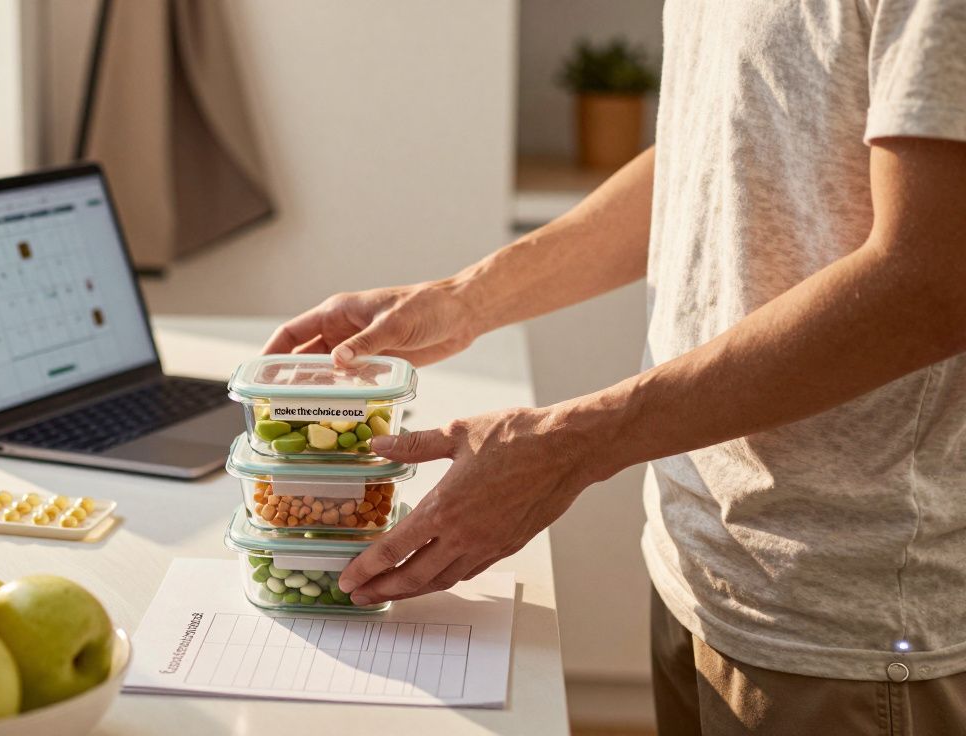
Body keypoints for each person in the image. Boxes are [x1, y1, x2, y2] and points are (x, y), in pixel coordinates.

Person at [262, 1, 966, 733]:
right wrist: (463, 300)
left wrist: (571, 445)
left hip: (840, 610)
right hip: (698, 554)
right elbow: (716, 140)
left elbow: (932, 280)